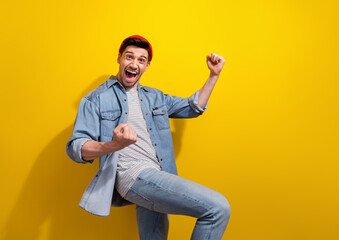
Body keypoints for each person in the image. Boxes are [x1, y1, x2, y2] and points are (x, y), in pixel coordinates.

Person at [66, 35, 231, 240]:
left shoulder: (155, 97)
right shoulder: (95, 99)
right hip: (133, 175)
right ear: (119, 58)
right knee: (217, 209)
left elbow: (193, 107)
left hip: (157, 174)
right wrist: (113, 145)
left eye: (141, 60)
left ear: (147, 66)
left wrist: (214, 75)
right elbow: (77, 148)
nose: (134, 64)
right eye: (129, 57)